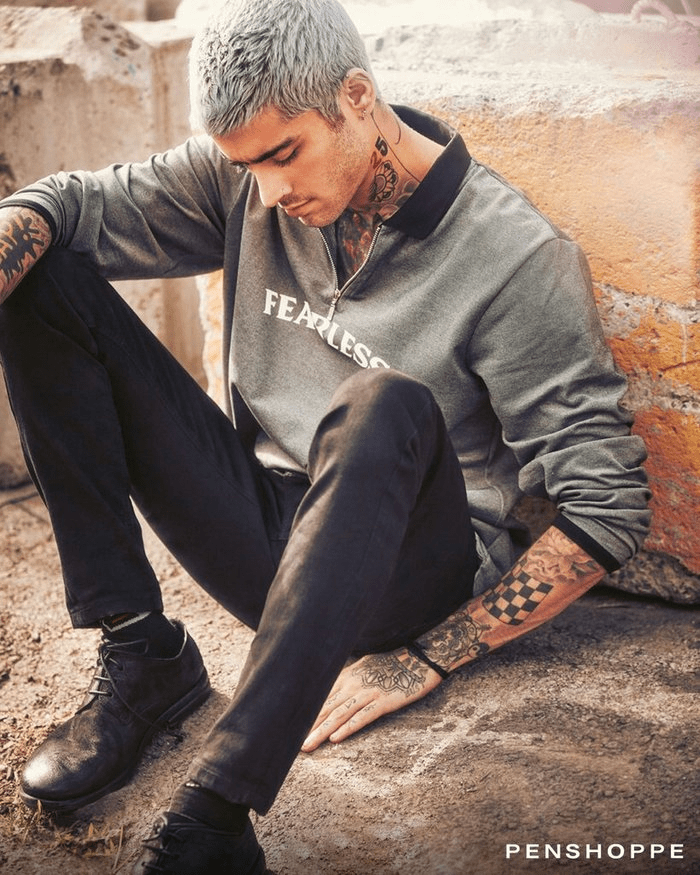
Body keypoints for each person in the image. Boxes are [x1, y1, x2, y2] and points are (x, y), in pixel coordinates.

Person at [0, 0, 650, 872]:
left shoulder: (515, 257)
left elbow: (608, 506)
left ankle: (216, 816)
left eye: (283, 155)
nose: (268, 192)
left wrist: (427, 656)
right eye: (247, 165)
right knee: (40, 271)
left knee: (382, 403)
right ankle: (142, 652)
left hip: (400, 579)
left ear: (355, 97)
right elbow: (62, 205)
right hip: (268, 537)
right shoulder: (248, 180)